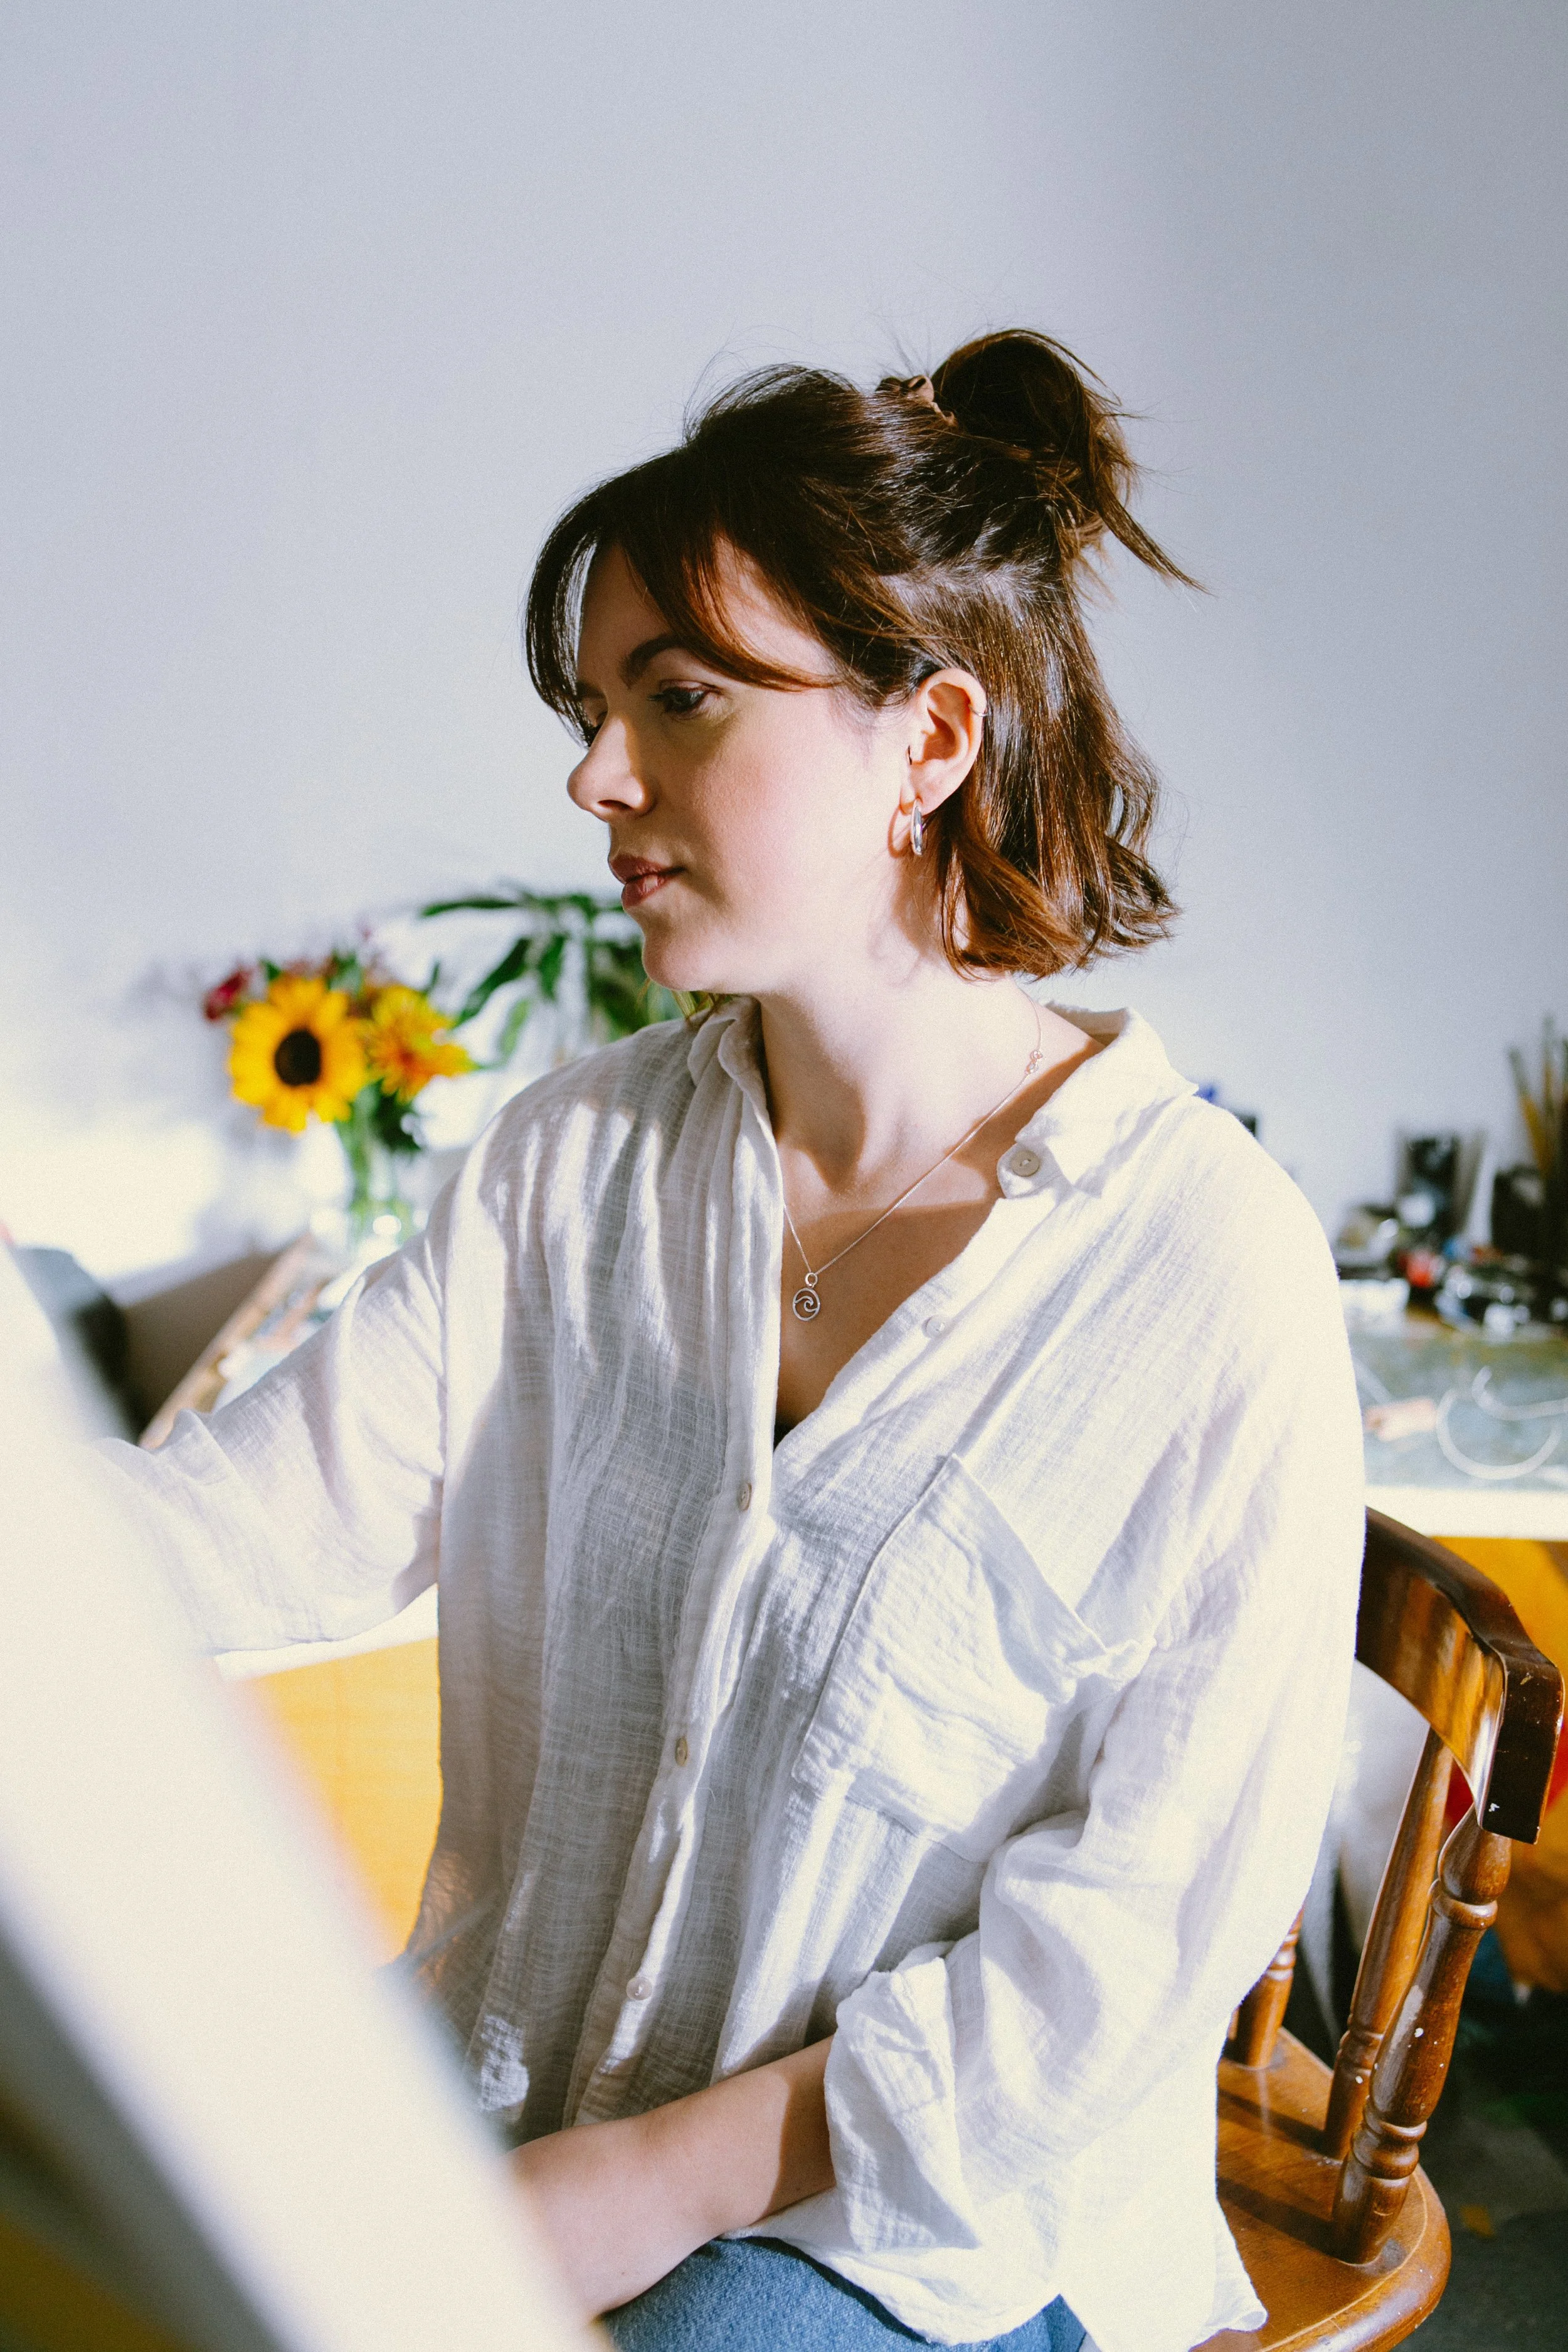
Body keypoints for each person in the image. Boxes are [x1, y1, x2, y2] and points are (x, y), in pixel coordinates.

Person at [100, 332, 1364, 2352]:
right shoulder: (570, 1162)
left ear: (927, 740)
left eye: (677, 697)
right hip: (506, 2093)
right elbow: (249, 1528)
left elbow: (1120, 1958)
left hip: (901, 2221)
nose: (598, 776)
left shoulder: (1207, 1279)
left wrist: (639, 2191)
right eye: (598, 709)